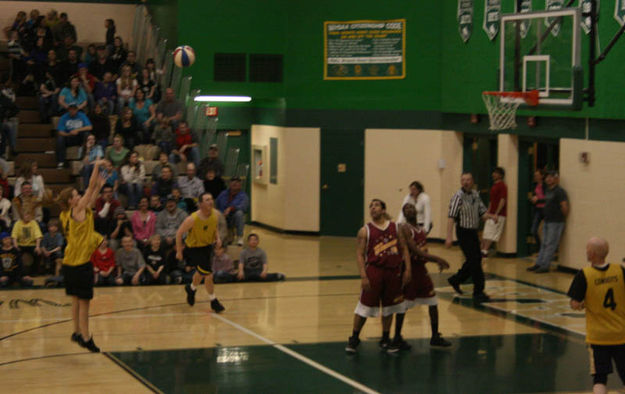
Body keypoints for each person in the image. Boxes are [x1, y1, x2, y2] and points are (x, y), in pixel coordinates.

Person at [345, 199, 411, 354]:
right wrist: (363, 276)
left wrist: (408, 269)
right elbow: (360, 254)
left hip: (393, 272)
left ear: (383, 209)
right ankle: (354, 338)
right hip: (374, 271)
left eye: (376, 205)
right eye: (370, 206)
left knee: (390, 307)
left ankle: (385, 338)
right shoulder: (365, 230)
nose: (372, 208)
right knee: (364, 307)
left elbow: (404, 248)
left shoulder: (396, 228)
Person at [55, 159, 107, 352]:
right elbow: (90, 187)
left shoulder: (67, 214)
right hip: (81, 264)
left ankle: (76, 332)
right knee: (84, 302)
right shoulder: (76, 209)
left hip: (69, 263)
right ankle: (86, 338)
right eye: (76, 195)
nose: (79, 196)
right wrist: (96, 165)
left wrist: (98, 188)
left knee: (76, 300)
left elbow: (91, 199)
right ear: (71, 201)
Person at [567, 237, 625, 394]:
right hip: (621, 333)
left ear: (591, 254)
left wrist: (584, 304)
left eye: (587, 249)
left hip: (598, 336)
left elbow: (575, 304)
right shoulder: (619, 270)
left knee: (600, 379)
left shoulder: (585, 274)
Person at [395, 203, 451, 349]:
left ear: (416, 211)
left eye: (411, 208)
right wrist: (437, 259)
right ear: (404, 213)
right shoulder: (404, 229)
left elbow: (423, 250)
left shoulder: (420, 229)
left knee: (433, 302)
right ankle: (396, 337)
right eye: (406, 209)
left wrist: (431, 259)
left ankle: (435, 336)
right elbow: (416, 251)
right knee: (404, 305)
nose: (410, 210)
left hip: (422, 270)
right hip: (410, 270)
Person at [445, 172, 493, 303]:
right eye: (463, 180)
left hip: (473, 232)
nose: (466, 182)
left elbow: (482, 213)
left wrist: (491, 217)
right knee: (475, 261)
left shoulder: (476, 195)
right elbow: (451, 217)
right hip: (463, 232)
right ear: (461, 182)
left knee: (475, 260)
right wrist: (449, 237)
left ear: (472, 181)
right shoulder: (457, 197)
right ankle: (478, 292)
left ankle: (456, 279)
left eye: (468, 180)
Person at [176, 192, 225, 313]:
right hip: (193, 248)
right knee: (208, 274)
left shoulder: (216, 214)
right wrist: (179, 251)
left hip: (207, 247)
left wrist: (217, 238)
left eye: (211, 199)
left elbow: (214, 228)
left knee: (201, 272)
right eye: (207, 200)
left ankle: (191, 288)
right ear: (201, 204)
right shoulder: (192, 219)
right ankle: (214, 301)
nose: (210, 201)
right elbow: (179, 233)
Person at [528, 170, 569, 273]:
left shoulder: (559, 191)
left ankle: (545, 265)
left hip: (556, 221)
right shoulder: (548, 191)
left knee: (551, 243)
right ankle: (539, 263)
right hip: (547, 220)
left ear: (556, 179)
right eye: (547, 177)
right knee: (544, 243)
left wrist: (560, 217)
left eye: (551, 177)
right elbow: (546, 202)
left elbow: (564, 206)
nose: (548, 179)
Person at [480, 167, 508, 257]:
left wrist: (496, 213)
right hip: (491, 213)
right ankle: (482, 249)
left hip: (498, 215)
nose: (493, 174)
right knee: (486, 231)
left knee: (491, 233)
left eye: (496, 173)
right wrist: (487, 212)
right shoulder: (494, 186)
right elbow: (491, 201)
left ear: (500, 175)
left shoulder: (502, 186)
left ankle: (485, 250)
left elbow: (502, 200)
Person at [56, 104, 92, 169]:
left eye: (74, 109)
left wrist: (77, 130)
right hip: (69, 137)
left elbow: (89, 127)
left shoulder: (82, 115)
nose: (72, 111)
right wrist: (69, 134)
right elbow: (60, 131)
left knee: (87, 134)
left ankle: (84, 158)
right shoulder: (64, 117)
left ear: (77, 110)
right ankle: (61, 162)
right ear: (68, 110)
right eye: (71, 109)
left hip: (79, 136)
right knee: (60, 139)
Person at [216, 177, 249, 246]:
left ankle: (240, 237)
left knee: (239, 214)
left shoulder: (243, 196)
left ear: (240, 185)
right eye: (233, 182)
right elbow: (217, 204)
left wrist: (231, 208)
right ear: (229, 184)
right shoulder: (223, 194)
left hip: (234, 217)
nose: (235, 183)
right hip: (223, 216)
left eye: (237, 182)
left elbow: (244, 207)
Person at [530, 169, 546, 253]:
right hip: (538, 209)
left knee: (546, 230)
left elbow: (548, 198)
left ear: (542, 176)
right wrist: (533, 199)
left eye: (537, 175)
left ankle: (545, 249)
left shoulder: (545, 185)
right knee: (533, 230)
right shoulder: (534, 185)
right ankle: (539, 246)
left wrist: (538, 200)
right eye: (535, 175)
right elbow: (533, 195)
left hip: (545, 209)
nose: (535, 177)